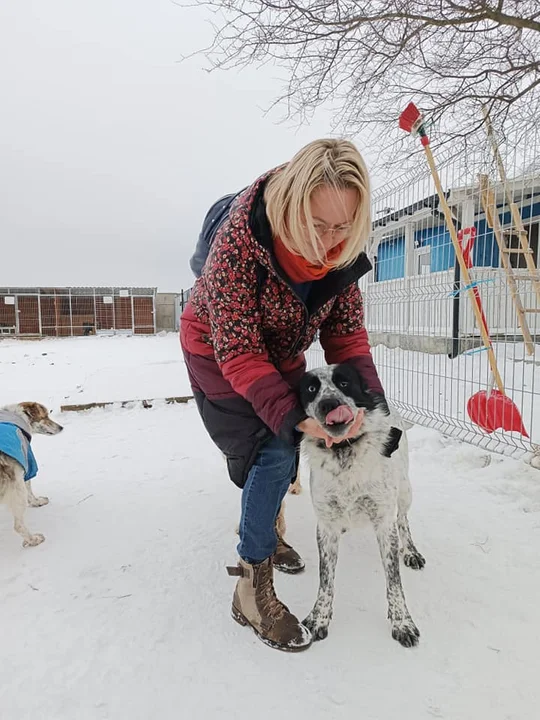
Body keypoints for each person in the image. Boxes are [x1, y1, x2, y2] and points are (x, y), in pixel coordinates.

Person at [180, 138, 385, 652]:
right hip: (218, 350)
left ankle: (269, 530)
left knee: (290, 441)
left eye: (343, 227)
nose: (330, 243)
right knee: (272, 450)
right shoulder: (238, 245)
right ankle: (251, 587)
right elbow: (242, 353)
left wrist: (374, 409)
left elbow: (346, 336)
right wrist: (292, 417)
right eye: (318, 226)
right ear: (293, 207)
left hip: (280, 350)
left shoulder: (343, 252)